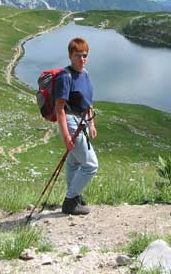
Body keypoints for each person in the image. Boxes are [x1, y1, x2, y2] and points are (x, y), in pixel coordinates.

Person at [54, 37, 98, 215]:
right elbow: (60, 109)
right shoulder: (66, 76)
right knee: (91, 165)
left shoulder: (84, 73)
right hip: (72, 123)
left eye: (85, 55)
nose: (82, 59)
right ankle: (70, 201)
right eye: (78, 55)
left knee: (73, 162)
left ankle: (75, 195)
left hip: (83, 121)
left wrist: (92, 123)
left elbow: (87, 101)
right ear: (70, 56)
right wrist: (66, 136)